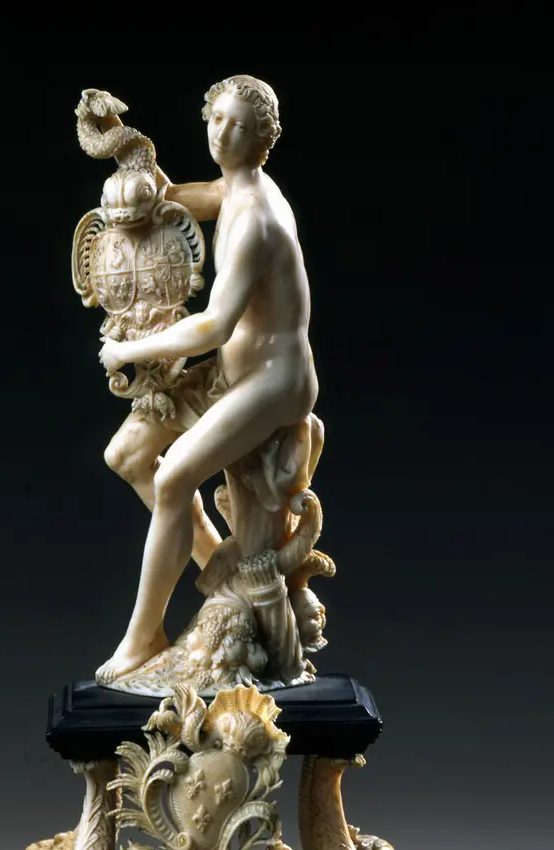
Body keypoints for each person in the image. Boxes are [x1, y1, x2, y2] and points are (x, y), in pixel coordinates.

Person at [96, 74, 319, 684]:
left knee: (173, 478)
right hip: (235, 371)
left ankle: (143, 637)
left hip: (274, 381)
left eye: (238, 126)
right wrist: (137, 163)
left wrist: (129, 349)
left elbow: (215, 325)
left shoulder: (256, 219)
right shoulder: (237, 190)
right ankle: (222, 566)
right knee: (128, 455)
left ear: (262, 140)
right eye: (216, 118)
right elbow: (190, 195)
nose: (222, 133)